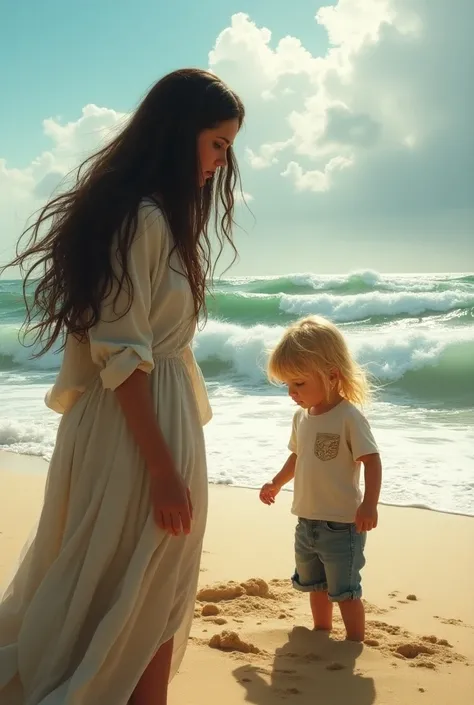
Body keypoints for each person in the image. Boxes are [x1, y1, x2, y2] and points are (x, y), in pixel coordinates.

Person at [0, 68, 244, 705]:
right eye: (217, 142)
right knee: (136, 586)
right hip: (137, 432)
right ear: (178, 133)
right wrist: (162, 468)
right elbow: (122, 356)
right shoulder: (141, 220)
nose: (223, 161)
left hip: (152, 421)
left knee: (145, 589)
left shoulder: (153, 217)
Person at [259, 316, 382, 642]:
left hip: (342, 525)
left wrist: (369, 504)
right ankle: (321, 632)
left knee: (345, 589)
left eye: (299, 384)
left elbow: (372, 460)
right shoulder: (301, 418)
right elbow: (297, 457)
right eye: (288, 385)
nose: (292, 393)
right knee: (314, 584)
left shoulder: (349, 417)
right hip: (307, 521)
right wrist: (276, 482)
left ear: (331, 375)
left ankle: (355, 642)